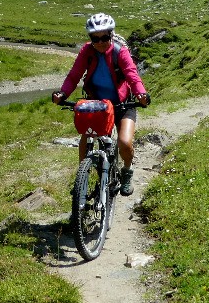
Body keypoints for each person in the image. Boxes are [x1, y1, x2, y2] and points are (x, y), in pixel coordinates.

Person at [52, 12, 150, 195]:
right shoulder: (87, 51)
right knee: (86, 138)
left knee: (124, 142)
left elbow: (132, 74)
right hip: (97, 104)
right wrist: (63, 92)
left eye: (104, 37)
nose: (100, 42)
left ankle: (127, 171)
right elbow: (74, 75)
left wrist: (141, 94)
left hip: (122, 104)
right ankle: (82, 177)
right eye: (94, 38)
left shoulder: (119, 51)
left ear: (111, 35)